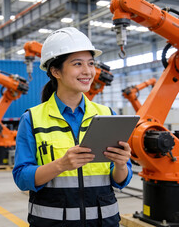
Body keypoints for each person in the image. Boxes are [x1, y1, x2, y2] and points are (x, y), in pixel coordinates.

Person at [12, 27, 132, 227]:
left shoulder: (106, 115)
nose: (88, 71)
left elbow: (120, 180)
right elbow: (22, 178)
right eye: (78, 64)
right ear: (55, 71)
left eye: (91, 64)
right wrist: (61, 165)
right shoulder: (32, 119)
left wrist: (121, 164)